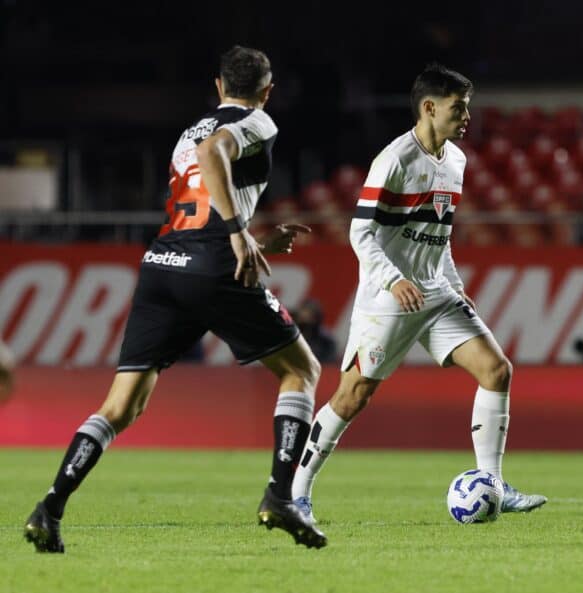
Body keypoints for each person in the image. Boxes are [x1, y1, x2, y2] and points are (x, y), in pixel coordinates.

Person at [23, 45, 326, 552]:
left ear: (217, 86)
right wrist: (235, 235)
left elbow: (203, 185)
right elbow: (217, 161)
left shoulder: (190, 132)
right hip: (213, 265)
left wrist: (251, 236)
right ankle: (280, 496)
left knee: (120, 406)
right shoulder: (259, 121)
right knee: (301, 371)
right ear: (267, 92)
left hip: (163, 265)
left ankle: (49, 507)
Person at [290, 63, 547, 526]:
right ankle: (297, 493)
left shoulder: (457, 161)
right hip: (389, 298)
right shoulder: (395, 160)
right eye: (458, 108)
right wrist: (394, 280)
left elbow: (438, 235)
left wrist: (455, 285)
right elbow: (361, 233)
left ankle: (492, 481)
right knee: (351, 397)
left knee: (496, 370)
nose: (467, 116)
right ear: (429, 108)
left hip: (435, 293)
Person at [292, 298, 337, 363]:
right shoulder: (289, 333)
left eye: (308, 312)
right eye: (303, 311)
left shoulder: (325, 341)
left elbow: (328, 362)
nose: (304, 315)